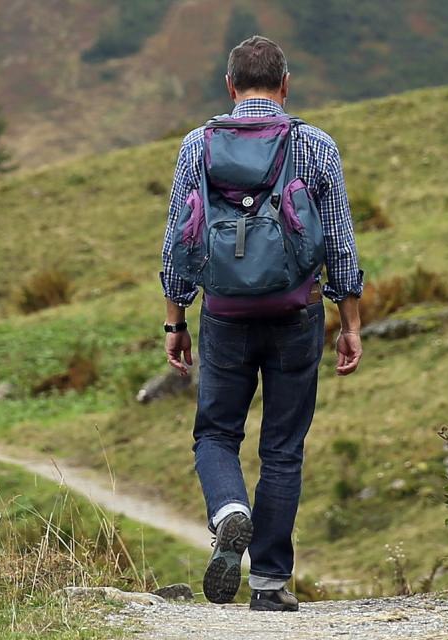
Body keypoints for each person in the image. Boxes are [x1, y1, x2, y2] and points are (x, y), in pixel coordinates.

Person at [159, 35, 364, 612]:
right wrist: (349, 321)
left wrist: (175, 320)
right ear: (285, 84)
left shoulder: (197, 146)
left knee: (216, 433)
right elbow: (341, 244)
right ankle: (270, 584)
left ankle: (229, 511)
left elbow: (179, 238)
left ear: (230, 86)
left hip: (223, 315)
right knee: (282, 447)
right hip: (296, 313)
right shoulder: (316, 146)